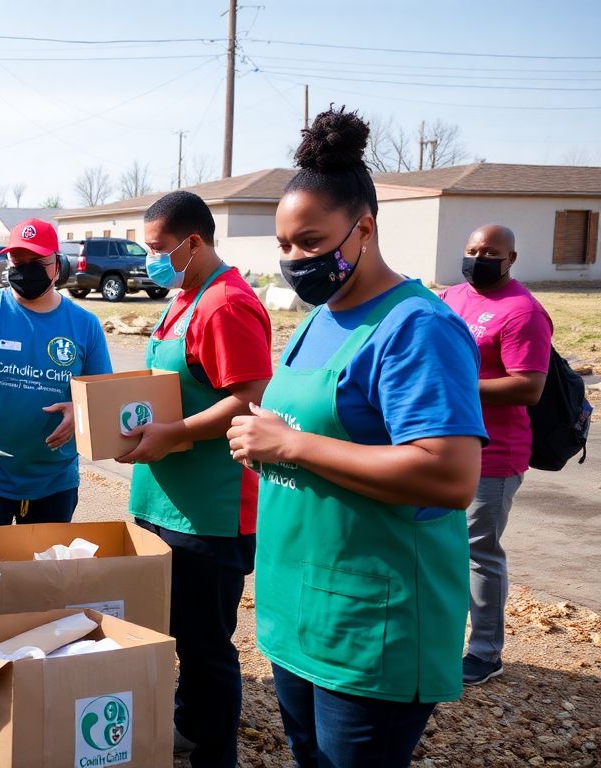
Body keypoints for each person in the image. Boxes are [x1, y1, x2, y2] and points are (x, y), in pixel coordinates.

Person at [226, 108, 486, 768]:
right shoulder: (322, 318)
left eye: (311, 242)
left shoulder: (415, 327)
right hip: (299, 610)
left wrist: (290, 445)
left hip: (372, 623)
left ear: (363, 228)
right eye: (284, 246)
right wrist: (262, 441)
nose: (294, 260)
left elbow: (450, 477)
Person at [116, 191, 273, 768]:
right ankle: (188, 723)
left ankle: (215, 751)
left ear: (194, 242)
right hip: (165, 496)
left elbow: (249, 399)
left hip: (210, 508)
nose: (151, 260)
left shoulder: (227, 304)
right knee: (177, 630)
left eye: (159, 249)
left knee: (206, 644)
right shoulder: (182, 297)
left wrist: (175, 431)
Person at [0, 219, 112, 543]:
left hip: (53, 479)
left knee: (43, 579)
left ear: (58, 265)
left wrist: (79, 410)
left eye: (37, 263)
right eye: (18, 262)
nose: (26, 270)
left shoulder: (84, 324)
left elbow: (102, 392)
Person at [441, 224, 553, 686]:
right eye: (472, 250)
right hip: (446, 442)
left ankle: (486, 652)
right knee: (443, 546)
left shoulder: (523, 312)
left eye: (490, 252)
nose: (478, 258)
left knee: (478, 552)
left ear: (511, 258)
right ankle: (445, 640)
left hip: (496, 453)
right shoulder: (451, 297)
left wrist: (458, 385)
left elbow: (528, 387)